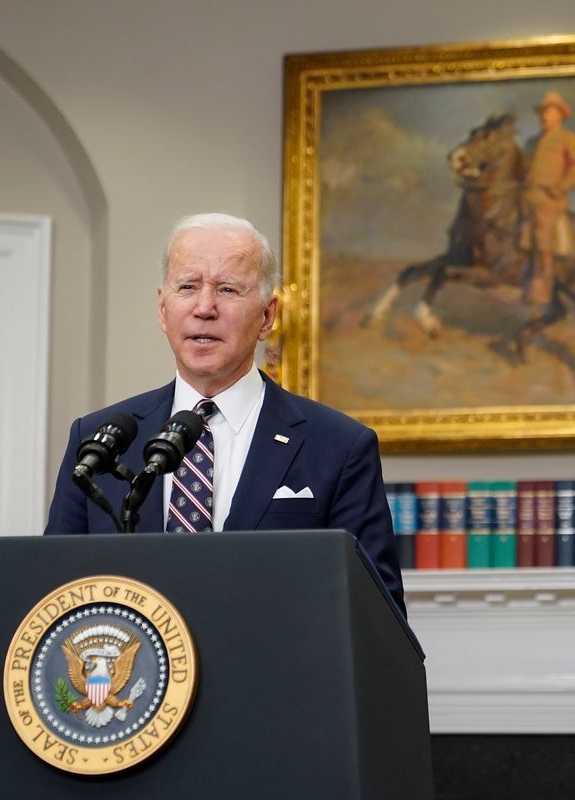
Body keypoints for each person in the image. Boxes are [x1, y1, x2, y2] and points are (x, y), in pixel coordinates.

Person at [45, 213, 405, 616]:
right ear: (163, 309)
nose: (204, 308)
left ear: (267, 316)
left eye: (228, 289)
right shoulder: (97, 440)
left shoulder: (339, 446)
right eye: (188, 286)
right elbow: (55, 593)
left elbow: (377, 614)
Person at [521, 90, 575, 305]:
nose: (546, 117)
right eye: (543, 113)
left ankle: (544, 284)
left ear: (561, 115)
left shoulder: (567, 138)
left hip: (549, 198)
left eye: (551, 113)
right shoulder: (532, 142)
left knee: (542, 234)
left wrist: (562, 187)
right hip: (527, 195)